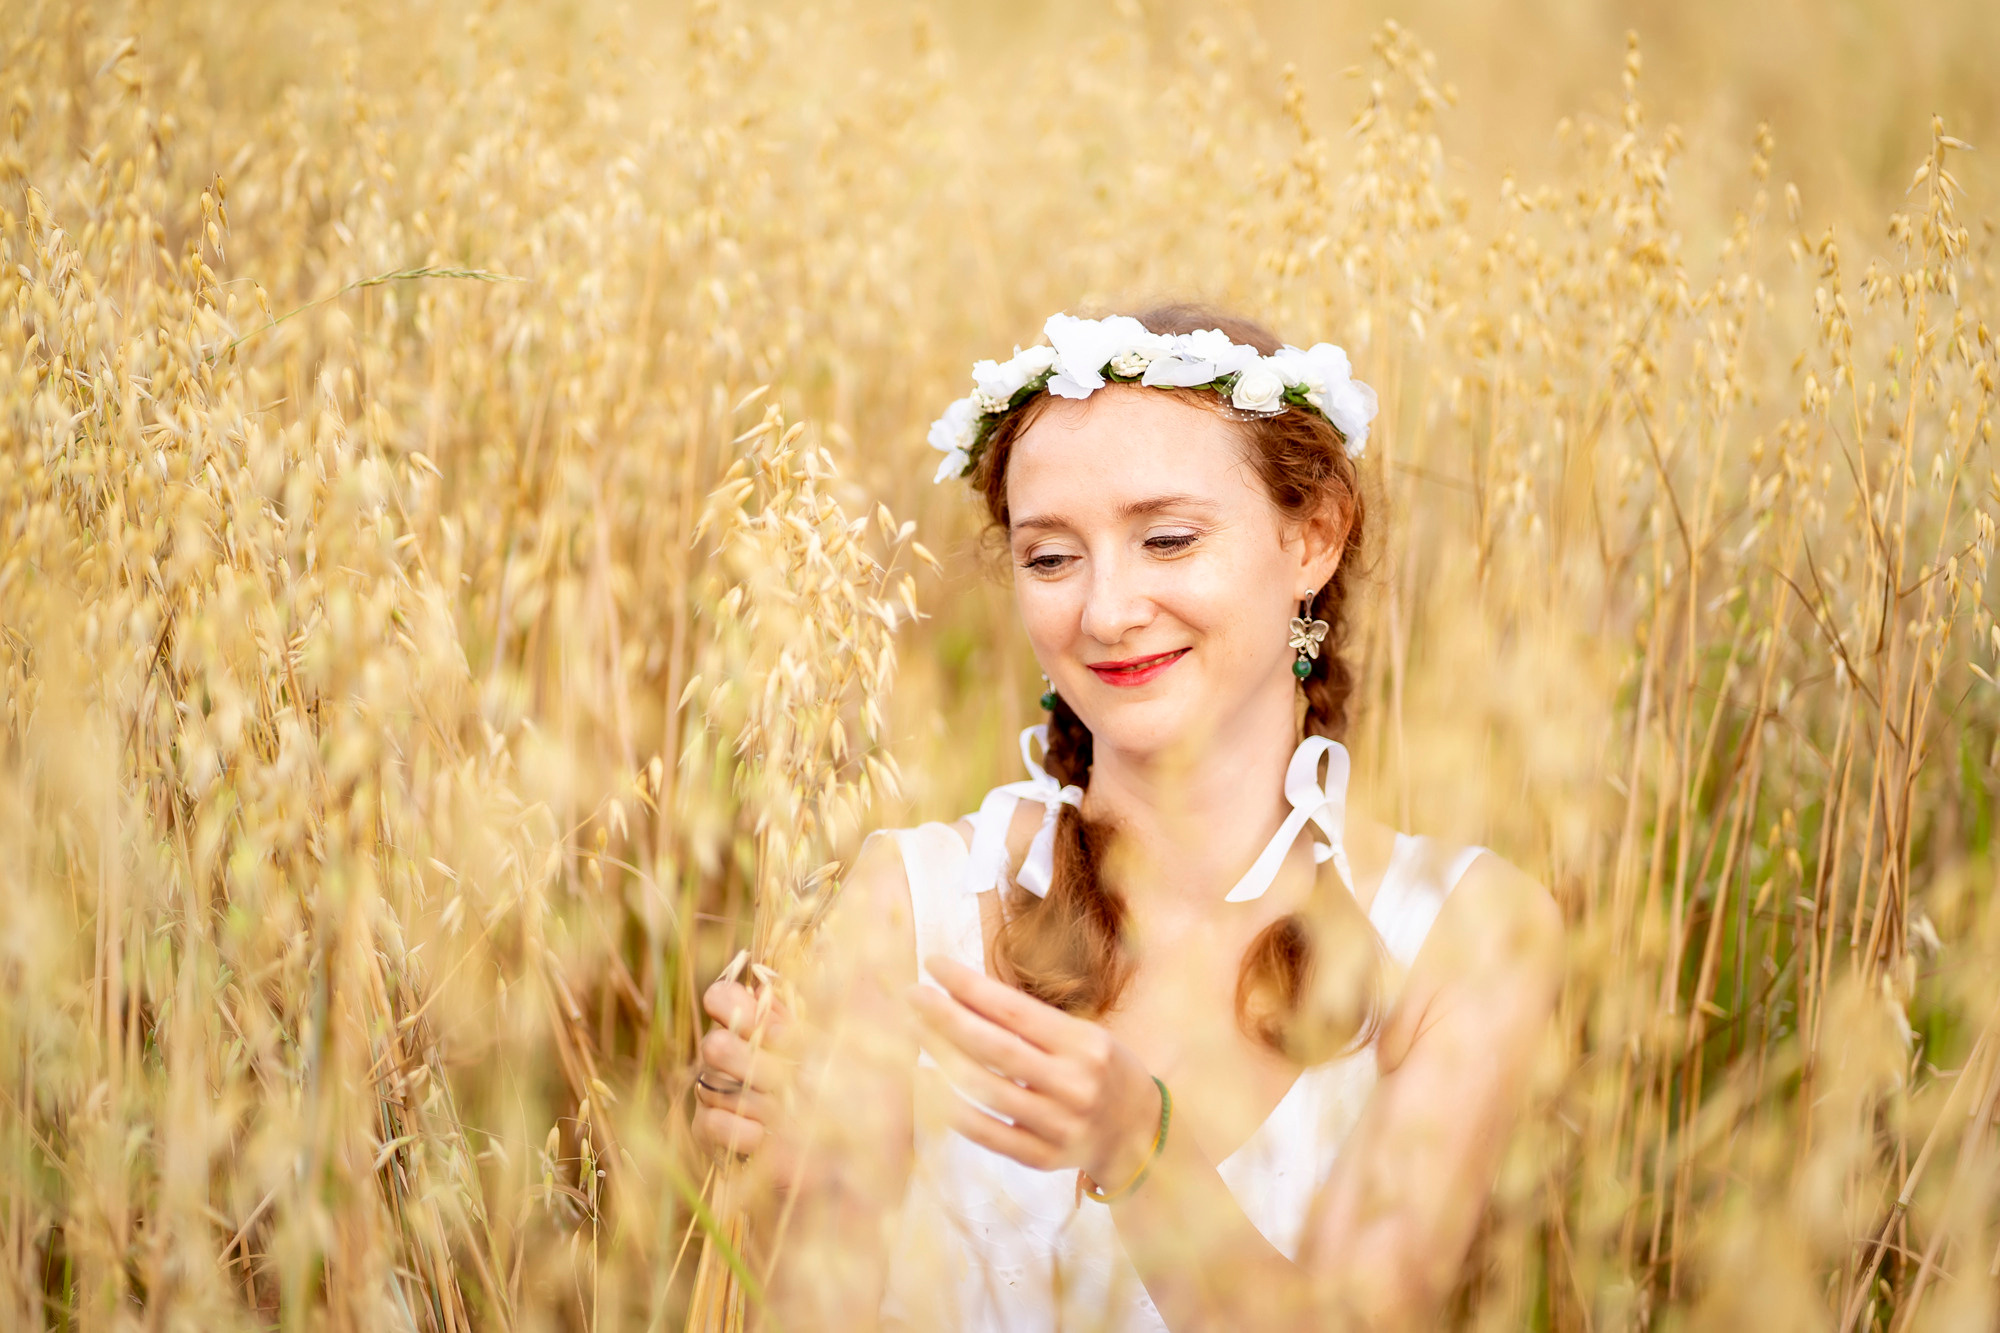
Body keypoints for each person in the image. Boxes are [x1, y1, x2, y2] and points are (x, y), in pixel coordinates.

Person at [690, 306, 1563, 1330]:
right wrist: (781, 1176)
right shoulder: (916, 902)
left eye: (1167, 539)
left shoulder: (1466, 933)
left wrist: (1143, 1151)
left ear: (1312, 537)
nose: (1105, 612)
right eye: (1050, 557)